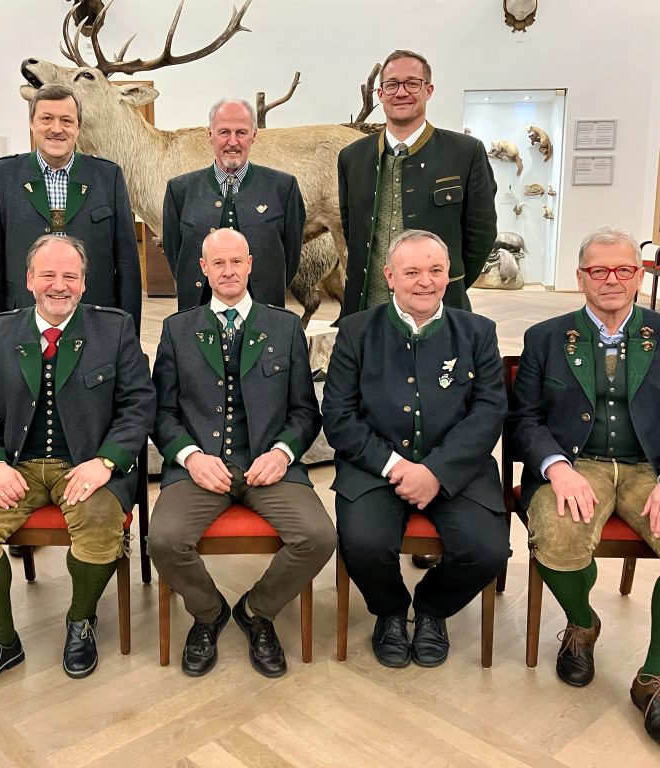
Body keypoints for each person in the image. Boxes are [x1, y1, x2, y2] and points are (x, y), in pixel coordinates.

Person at [507, 226, 660, 749]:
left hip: (654, 468)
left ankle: (653, 680)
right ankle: (582, 624)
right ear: (580, 277)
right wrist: (556, 468)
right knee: (557, 533)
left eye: (624, 269)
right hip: (577, 463)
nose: (611, 279)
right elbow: (524, 420)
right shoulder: (546, 337)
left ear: (639, 276)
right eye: (598, 270)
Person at [0, 234, 154, 694]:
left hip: (86, 464)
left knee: (101, 525)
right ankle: (0, 640)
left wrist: (107, 461)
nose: (58, 285)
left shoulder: (115, 329)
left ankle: (81, 620)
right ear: (29, 280)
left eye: (69, 276)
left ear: (83, 283)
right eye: (48, 275)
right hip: (15, 465)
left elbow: (139, 405)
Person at [148, 228, 334, 678]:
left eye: (236, 261)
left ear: (250, 265)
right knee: (164, 540)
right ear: (203, 268)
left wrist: (283, 453)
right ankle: (209, 613)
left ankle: (256, 611)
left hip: (268, 466)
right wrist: (190, 456)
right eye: (218, 263)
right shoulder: (177, 329)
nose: (228, 271)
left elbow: (305, 411)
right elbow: (162, 413)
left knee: (319, 537)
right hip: (200, 468)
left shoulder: (285, 327)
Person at [322, 229, 510, 668]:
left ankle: (432, 609)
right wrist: (395, 466)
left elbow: (488, 412)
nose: (425, 281)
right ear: (390, 276)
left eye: (435, 270)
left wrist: (436, 471)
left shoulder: (477, 332)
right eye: (412, 272)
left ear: (448, 275)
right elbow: (339, 416)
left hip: (459, 469)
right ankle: (389, 611)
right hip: (374, 466)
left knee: (488, 550)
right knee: (363, 544)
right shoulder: (356, 332)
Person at [337, 49, 496, 317]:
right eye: (392, 85)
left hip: (439, 310)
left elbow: (481, 234)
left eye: (412, 83)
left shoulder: (466, 153)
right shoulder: (352, 158)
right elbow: (351, 230)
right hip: (367, 312)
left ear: (428, 90)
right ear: (380, 94)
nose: (401, 93)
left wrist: (447, 283)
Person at [0, 83, 141, 330]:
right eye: (46, 119)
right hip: (23, 320)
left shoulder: (109, 176)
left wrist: (129, 334)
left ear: (78, 127)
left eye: (66, 120)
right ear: (32, 124)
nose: (56, 129)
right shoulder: (3, 176)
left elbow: (127, 264)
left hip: (97, 322)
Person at [163, 98, 305, 310]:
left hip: (264, 315)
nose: (232, 141)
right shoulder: (180, 191)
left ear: (253, 135)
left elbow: (290, 257)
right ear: (210, 135)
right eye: (224, 132)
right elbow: (176, 255)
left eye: (241, 132)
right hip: (198, 314)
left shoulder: (284, 188)